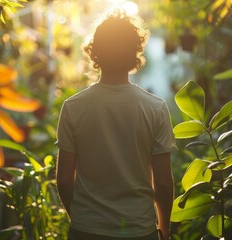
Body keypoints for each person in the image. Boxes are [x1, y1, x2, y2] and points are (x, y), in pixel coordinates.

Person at [55, 10, 177, 240]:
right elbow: (162, 181)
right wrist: (165, 227)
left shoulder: (73, 107)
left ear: (95, 51)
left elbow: (63, 179)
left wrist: (81, 217)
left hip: (87, 229)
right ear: (134, 52)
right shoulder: (155, 108)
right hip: (139, 229)